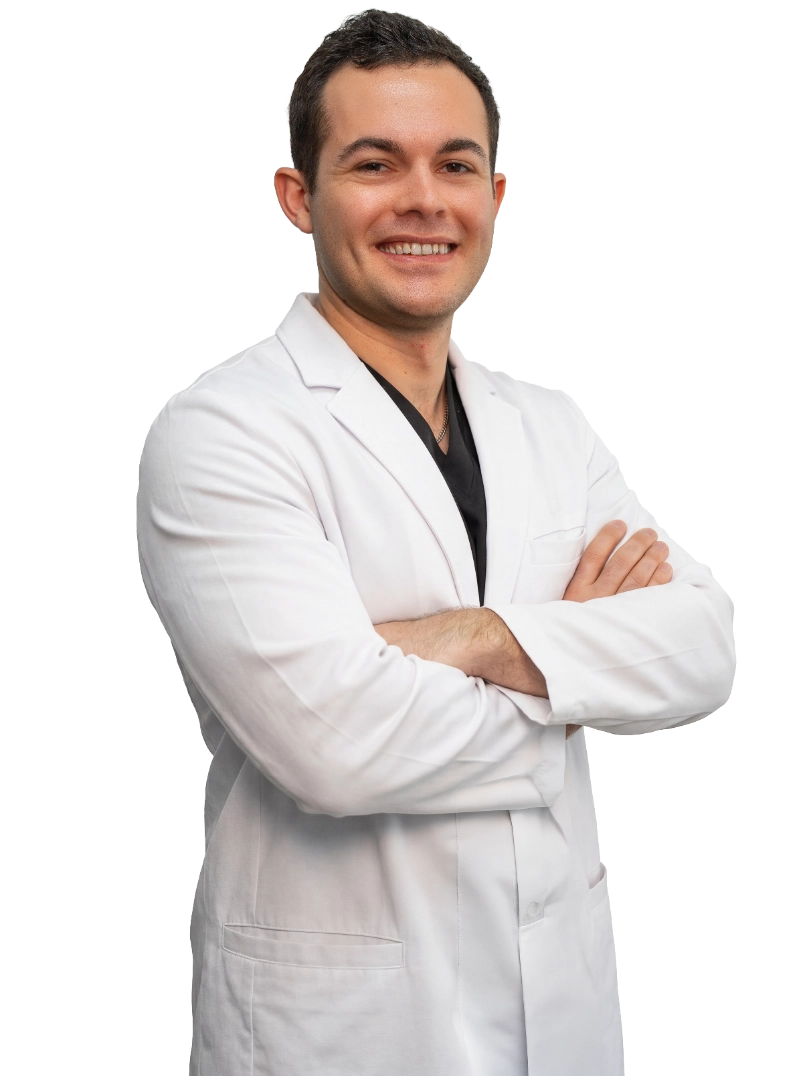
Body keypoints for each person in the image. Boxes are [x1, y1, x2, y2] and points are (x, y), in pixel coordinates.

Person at [136, 10, 735, 1075]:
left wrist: (467, 637)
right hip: (345, 1033)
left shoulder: (553, 420)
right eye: (376, 163)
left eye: (456, 164)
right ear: (297, 196)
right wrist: (581, 678)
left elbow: (701, 649)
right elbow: (334, 743)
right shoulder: (221, 427)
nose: (424, 199)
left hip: (564, 1005)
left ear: (496, 197)